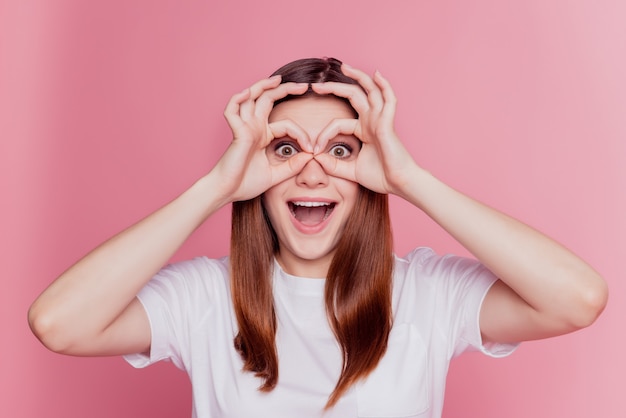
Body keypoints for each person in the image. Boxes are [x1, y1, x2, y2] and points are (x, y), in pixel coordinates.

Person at [28, 57, 608, 418]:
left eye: (340, 151)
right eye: (286, 149)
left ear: (369, 171)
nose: (310, 172)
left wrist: (411, 180)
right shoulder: (204, 297)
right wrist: (213, 188)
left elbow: (577, 299)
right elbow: (59, 323)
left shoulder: (429, 293)